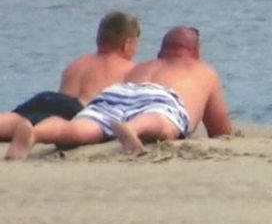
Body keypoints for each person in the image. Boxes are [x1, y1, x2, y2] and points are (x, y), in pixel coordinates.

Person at [4, 26, 232, 159]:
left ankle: (36, 134)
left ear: (161, 50)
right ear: (196, 51)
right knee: (162, 120)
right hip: (159, 98)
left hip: (118, 92)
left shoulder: (143, 66)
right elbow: (219, 127)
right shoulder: (203, 70)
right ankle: (133, 128)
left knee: (82, 129)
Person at [1, 11, 140, 155]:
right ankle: (34, 133)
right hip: (78, 109)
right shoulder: (129, 68)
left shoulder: (77, 62)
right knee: (55, 123)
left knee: (18, 118)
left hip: (48, 97)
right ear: (127, 43)